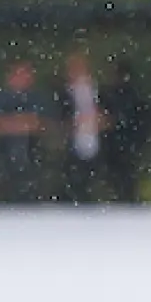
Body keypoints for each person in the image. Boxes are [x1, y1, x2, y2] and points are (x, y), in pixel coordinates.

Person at [0, 59, 50, 204]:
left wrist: (11, 123)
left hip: (32, 156)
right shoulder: (0, 98)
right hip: (4, 158)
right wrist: (22, 123)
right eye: (19, 74)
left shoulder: (37, 98)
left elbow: (42, 123)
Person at [102, 59, 151, 203]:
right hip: (125, 145)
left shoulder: (122, 96)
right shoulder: (130, 95)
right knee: (125, 180)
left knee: (123, 180)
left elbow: (126, 118)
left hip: (122, 144)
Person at [60, 52, 104, 203]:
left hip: (97, 143)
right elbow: (59, 119)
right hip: (73, 145)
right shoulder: (62, 93)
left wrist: (98, 121)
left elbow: (109, 116)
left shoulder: (99, 91)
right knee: (75, 182)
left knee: (94, 181)